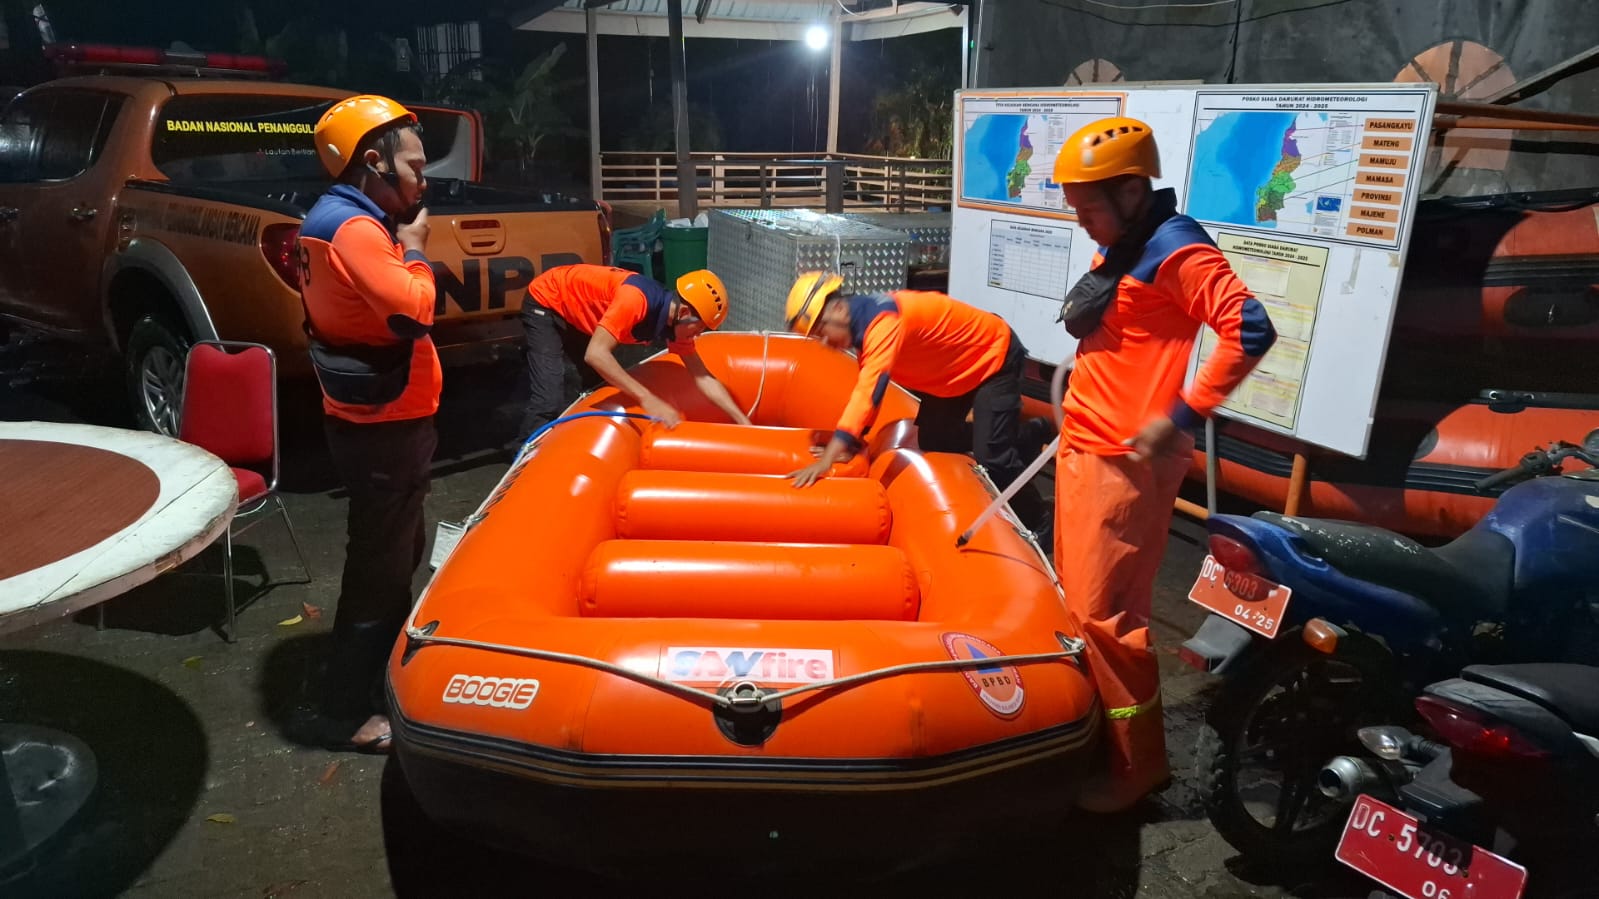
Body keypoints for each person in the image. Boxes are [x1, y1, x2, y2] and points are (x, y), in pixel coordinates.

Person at [1050, 115, 1277, 810]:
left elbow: (1250, 326)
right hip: (1085, 452)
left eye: (1088, 208)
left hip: (1124, 466)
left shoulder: (1175, 250)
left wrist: (1179, 414)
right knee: (1076, 609)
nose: (1083, 223)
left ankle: (1136, 766)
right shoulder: (1127, 242)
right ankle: (1089, 736)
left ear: (1127, 191)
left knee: (1106, 618)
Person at [298, 94, 438, 754]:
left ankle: (383, 671)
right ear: (374, 161)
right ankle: (340, 709)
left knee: (397, 550)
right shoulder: (355, 229)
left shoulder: (337, 219)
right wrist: (415, 250)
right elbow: (413, 312)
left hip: (374, 420)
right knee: (379, 566)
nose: (423, 176)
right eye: (414, 163)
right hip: (382, 428)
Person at [782, 274, 1046, 533]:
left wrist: (826, 460)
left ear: (838, 308)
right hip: (951, 372)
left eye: (822, 331)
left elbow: (869, 390)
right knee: (935, 441)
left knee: (994, 458)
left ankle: (1040, 521)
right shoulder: (865, 322)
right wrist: (850, 443)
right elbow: (869, 392)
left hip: (993, 355)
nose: (827, 343)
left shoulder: (883, 321)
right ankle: (1026, 436)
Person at [517, 264, 752, 441]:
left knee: (591, 387)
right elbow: (596, 354)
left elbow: (703, 377)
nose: (698, 335)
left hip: (578, 313)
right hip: (548, 299)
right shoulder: (636, 299)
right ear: (684, 312)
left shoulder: (677, 326)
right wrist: (647, 398)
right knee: (549, 397)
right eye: (699, 327)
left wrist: (742, 421)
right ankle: (523, 457)